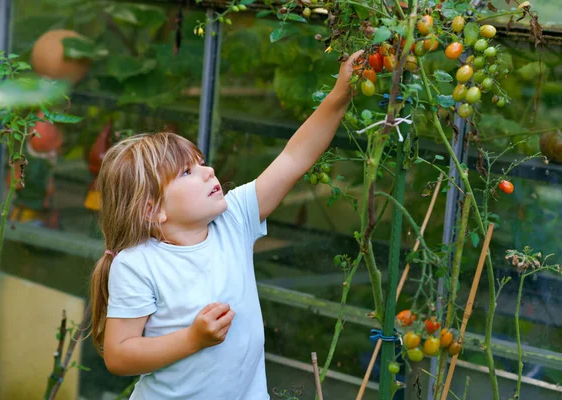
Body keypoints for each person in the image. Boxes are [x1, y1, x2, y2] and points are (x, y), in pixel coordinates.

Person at [89, 49, 364, 399]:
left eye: (202, 163)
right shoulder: (136, 265)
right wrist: (193, 339)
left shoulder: (233, 219)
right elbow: (119, 355)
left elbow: (295, 156)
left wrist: (341, 94)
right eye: (188, 172)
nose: (209, 172)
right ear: (152, 210)